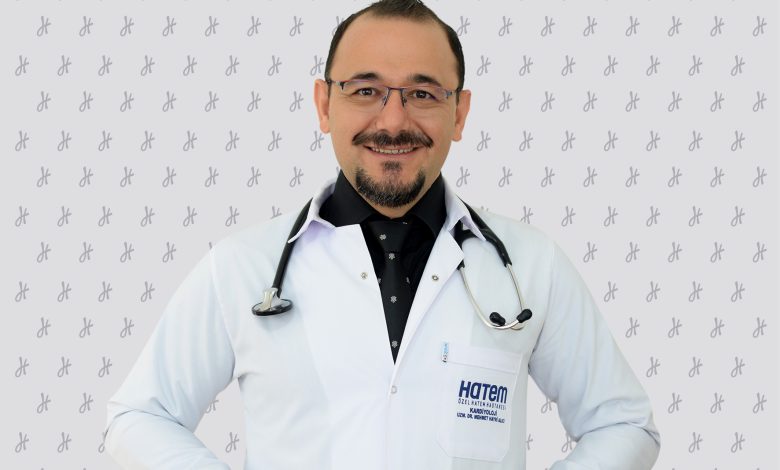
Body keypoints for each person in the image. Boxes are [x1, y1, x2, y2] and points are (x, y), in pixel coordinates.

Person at [105, 1, 661, 468]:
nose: (393, 122)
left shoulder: (532, 264)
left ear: (459, 114)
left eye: (423, 94)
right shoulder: (242, 266)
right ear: (324, 104)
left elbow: (624, 425)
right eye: (365, 90)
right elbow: (138, 417)